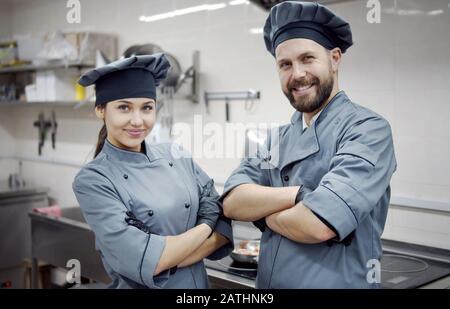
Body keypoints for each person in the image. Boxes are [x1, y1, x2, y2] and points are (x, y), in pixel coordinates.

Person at [221, 1, 396, 288]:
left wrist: (261, 213)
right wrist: (301, 196)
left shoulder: (367, 130)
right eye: (285, 64)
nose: (297, 74)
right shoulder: (275, 139)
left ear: (335, 58)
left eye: (307, 58)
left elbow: (318, 225)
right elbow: (233, 202)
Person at [72, 53, 233, 289]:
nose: (137, 121)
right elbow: (151, 260)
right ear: (101, 110)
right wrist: (207, 224)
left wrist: (174, 257)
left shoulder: (176, 154)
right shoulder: (93, 180)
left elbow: (223, 225)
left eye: (147, 108)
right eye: (124, 108)